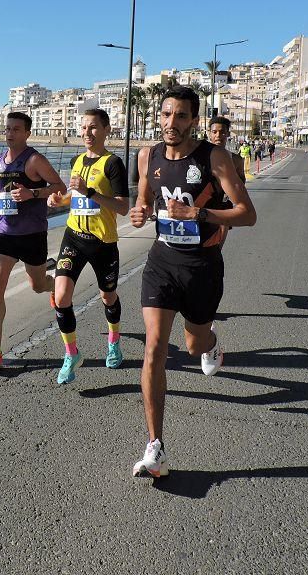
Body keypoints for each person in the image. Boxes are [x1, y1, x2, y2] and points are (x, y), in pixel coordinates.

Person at [129, 86, 257, 478]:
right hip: (162, 263)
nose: (171, 123)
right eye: (166, 115)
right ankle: (156, 446)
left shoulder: (214, 157)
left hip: (202, 266)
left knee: (193, 343)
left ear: (194, 121)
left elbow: (246, 214)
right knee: (154, 348)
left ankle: (212, 344)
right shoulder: (146, 156)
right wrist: (138, 212)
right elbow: (144, 201)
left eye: (181, 116)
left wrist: (199, 214)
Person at [0, 112, 67, 367]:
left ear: (27, 133)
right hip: (4, 232)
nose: (10, 134)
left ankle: (52, 286)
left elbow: (61, 187)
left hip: (32, 234)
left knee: (37, 284)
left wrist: (32, 192)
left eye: (16, 129)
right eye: (7, 129)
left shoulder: (34, 160)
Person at [45, 109, 130, 384]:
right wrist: (60, 200)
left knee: (108, 297)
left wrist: (91, 191)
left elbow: (123, 207)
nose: (87, 133)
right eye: (83, 128)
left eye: (93, 128)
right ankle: (72, 354)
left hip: (103, 242)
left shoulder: (113, 163)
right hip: (74, 236)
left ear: (106, 130)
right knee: (61, 298)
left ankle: (114, 341)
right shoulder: (77, 160)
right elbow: (76, 195)